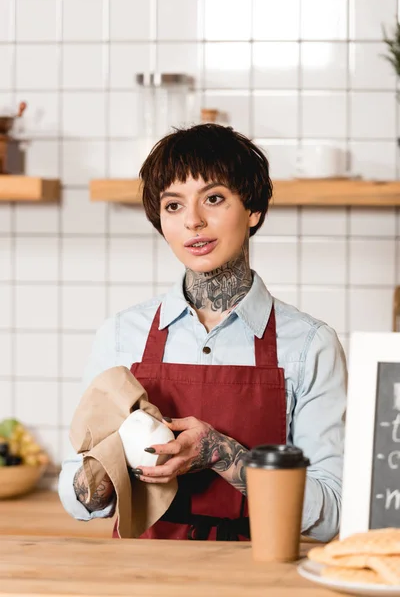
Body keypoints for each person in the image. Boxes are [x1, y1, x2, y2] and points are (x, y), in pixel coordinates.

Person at [59, 123, 347, 542]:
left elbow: (333, 511)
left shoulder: (309, 345)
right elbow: (76, 498)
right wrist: (104, 468)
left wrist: (221, 454)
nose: (193, 221)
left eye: (213, 199)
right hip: (142, 574)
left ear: (253, 210)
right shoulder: (122, 335)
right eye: (173, 206)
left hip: (259, 572)